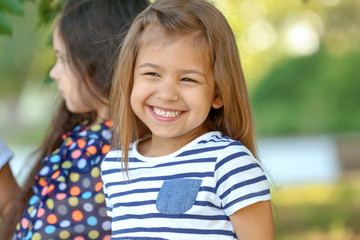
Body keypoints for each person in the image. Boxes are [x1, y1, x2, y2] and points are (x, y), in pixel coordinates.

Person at [101, 0, 275, 239]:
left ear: (218, 93)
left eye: (188, 79)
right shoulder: (115, 167)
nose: (167, 94)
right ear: (130, 78)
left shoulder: (228, 163)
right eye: (152, 74)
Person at [0, 0, 149, 239]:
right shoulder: (94, 141)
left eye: (62, 58)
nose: (53, 73)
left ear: (94, 62)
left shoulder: (103, 153)